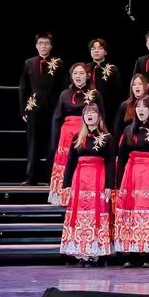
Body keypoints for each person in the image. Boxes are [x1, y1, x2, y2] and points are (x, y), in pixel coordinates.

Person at [114, 97, 149, 264]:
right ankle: (131, 252)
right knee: (130, 211)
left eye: (145, 107)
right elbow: (121, 158)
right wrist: (119, 182)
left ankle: (148, 252)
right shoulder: (128, 130)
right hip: (131, 175)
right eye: (138, 107)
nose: (141, 110)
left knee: (147, 211)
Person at [60, 100, 115, 264]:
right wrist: (66, 184)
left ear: (99, 117)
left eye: (93, 113)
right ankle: (81, 252)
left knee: (96, 213)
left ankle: (95, 252)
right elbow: (70, 162)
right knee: (80, 214)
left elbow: (110, 163)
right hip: (80, 180)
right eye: (87, 113)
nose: (89, 115)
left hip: (98, 178)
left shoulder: (107, 138)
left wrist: (109, 186)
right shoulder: (78, 137)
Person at [48, 61, 100, 205]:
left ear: (87, 76)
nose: (78, 76)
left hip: (86, 133)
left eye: (81, 73)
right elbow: (57, 118)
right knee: (66, 164)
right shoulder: (64, 94)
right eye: (75, 73)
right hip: (66, 136)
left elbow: (101, 117)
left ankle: (83, 197)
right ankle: (63, 197)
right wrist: (54, 143)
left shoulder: (94, 94)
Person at [19, 32, 64, 184]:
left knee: (52, 144)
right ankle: (31, 177)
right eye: (41, 43)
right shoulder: (29, 63)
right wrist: (24, 109)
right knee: (33, 144)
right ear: (36, 45)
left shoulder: (58, 63)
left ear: (51, 46)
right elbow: (23, 88)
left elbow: (62, 87)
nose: (43, 46)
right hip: (34, 109)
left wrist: (61, 109)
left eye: (46, 43)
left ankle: (52, 178)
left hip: (53, 110)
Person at [88, 38, 125, 112]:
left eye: (100, 48)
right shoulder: (86, 68)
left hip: (108, 108)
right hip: (88, 108)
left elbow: (118, 91)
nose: (96, 51)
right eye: (93, 49)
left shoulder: (112, 69)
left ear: (105, 52)